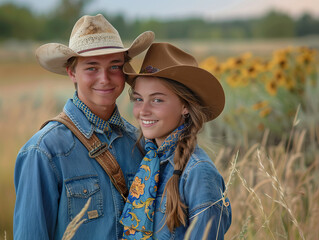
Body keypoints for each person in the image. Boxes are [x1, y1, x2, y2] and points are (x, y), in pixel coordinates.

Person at [13, 14, 154, 239]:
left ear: (125, 70)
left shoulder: (140, 141)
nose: (105, 78)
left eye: (115, 66)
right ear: (72, 72)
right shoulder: (44, 151)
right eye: (91, 68)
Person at [119, 43, 232, 239]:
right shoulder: (145, 162)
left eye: (157, 100)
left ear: (185, 106)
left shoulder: (198, 173)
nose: (143, 110)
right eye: (138, 99)